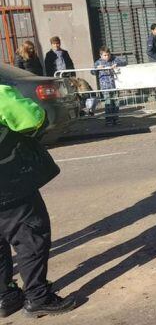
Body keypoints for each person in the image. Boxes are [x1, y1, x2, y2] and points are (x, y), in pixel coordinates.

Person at [0, 84, 76, 318]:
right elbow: (31, 118)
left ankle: (5, 296)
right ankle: (38, 297)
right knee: (30, 236)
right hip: (9, 181)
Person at [92, 47, 127, 126]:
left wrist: (117, 64)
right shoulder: (98, 62)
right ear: (101, 55)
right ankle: (108, 120)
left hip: (115, 85)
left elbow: (125, 62)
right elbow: (92, 72)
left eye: (108, 55)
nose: (107, 57)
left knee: (116, 103)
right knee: (108, 103)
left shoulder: (114, 59)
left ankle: (116, 119)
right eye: (105, 55)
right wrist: (97, 69)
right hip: (105, 86)